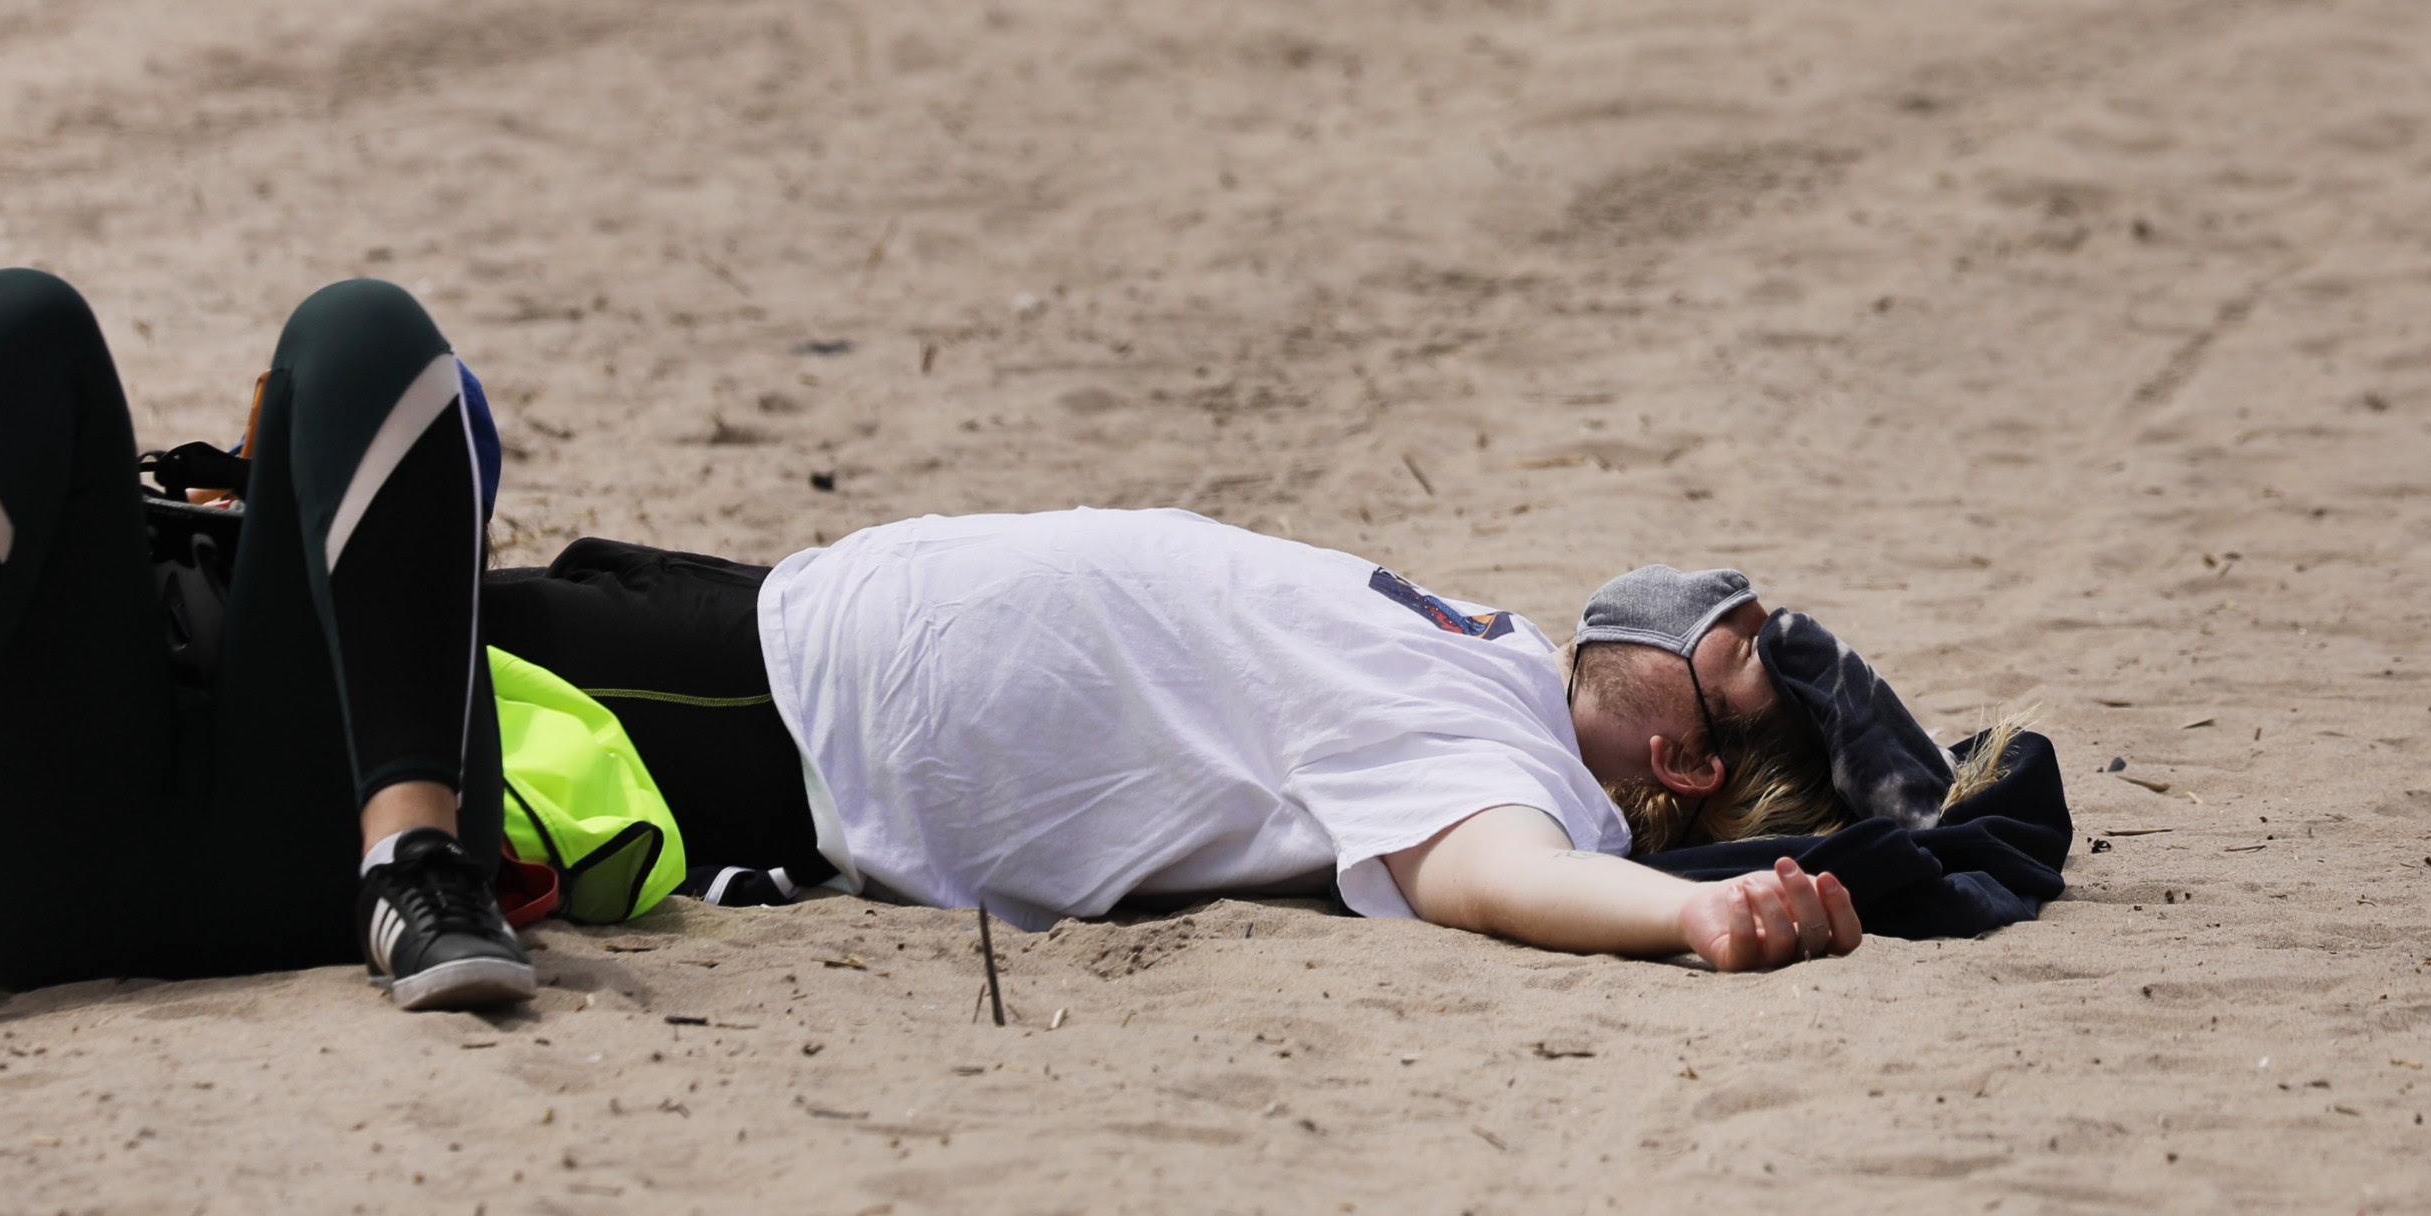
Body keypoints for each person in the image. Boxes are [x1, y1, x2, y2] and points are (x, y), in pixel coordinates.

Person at [475, 518, 1883, 966]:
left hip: (800, 719)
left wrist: (1698, 909)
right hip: (781, 611)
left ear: (1688, 762)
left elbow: (1493, 876)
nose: (1714, 603)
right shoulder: (1508, 670)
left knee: (330, 633)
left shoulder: (1511, 781)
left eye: (1737, 645)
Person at [0, 269, 530, 1027]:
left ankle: (414, 861)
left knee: (360, 318)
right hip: (60, 875)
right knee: (15, 314)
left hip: (319, 862)